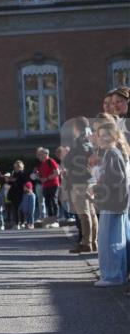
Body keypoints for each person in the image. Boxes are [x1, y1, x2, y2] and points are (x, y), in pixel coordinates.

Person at [88, 118, 129, 287]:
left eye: (106, 135)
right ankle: (115, 274)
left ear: (115, 136)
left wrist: (96, 187)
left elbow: (116, 180)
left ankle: (113, 276)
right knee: (112, 239)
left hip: (114, 204)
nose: (102, 138)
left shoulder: (112, 154)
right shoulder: (111, 154)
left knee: (110, 241)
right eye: (100, 135)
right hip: (114, 203)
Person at [62, 117, 97, 254]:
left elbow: (69, 161)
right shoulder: (89, 140)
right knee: (91, 213)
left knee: (84, 213)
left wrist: (67, 157)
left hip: (79, 181)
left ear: (76, 127)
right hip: (90, 180)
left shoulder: (79, 142)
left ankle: (86, 242)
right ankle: (93, 241)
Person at [32, 146, 61, 227]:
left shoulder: (51, 161)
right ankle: (51, 220)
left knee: (53, 201)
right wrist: (37, 175)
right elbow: (41, 176)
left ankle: (56, 221)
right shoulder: (41, 164)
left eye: (40, 155)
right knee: (48, 203)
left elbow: (57, 173)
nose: (38, 156)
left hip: (53, 184)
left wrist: (47, 178)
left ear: (45, 154)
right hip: (45, 186)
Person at [5, 160, 30, 229]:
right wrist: (8, 180)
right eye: (15, 166)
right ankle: (16, 223)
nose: (15, 168)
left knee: (21, 208)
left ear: (20, 167)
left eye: (17, 166)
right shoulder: (14, 173)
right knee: (15, 208)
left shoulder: (22, 174)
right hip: (14, 193)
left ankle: (22, 222)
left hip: (20, 193)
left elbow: (24, 182)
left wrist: (15, 180)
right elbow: (11, 183)